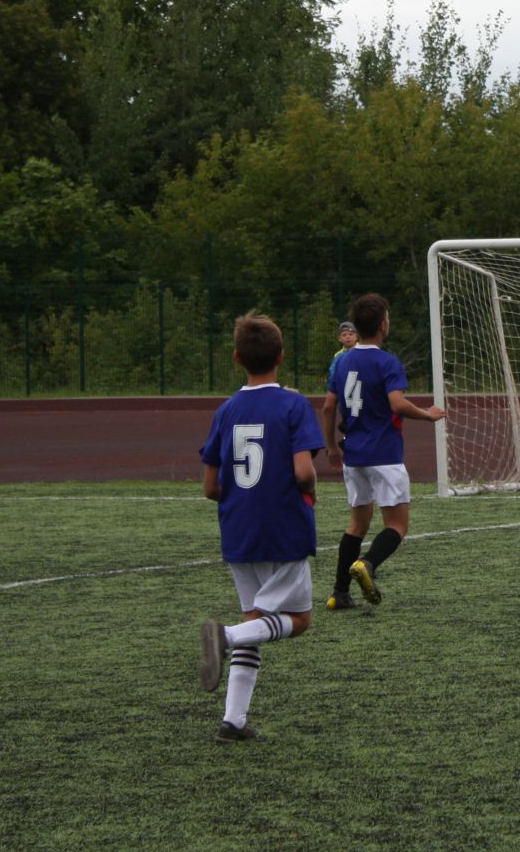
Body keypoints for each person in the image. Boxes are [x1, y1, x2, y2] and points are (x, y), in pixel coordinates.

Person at [196, 312, 325, 742]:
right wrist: (312, 490)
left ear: (237, 358)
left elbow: (210, 486)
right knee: (300, 619)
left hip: (238, 530)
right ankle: (225, 636)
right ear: (282, 357)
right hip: (283, 526)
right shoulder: (293, 404)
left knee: (256, 617)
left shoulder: (226, 410)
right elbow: (304, 471)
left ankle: (233, 721)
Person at [321, 292, 447, 610]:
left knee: (357, 524)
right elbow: (397, 403)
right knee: (397, 525)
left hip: (354, 455)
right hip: (385, 454)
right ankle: (369, 563)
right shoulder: (387, 362)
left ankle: (339, 592)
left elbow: (328, 406)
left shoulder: (343, 360)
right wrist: (428, 415)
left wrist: (332, 446)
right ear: (383, 324)